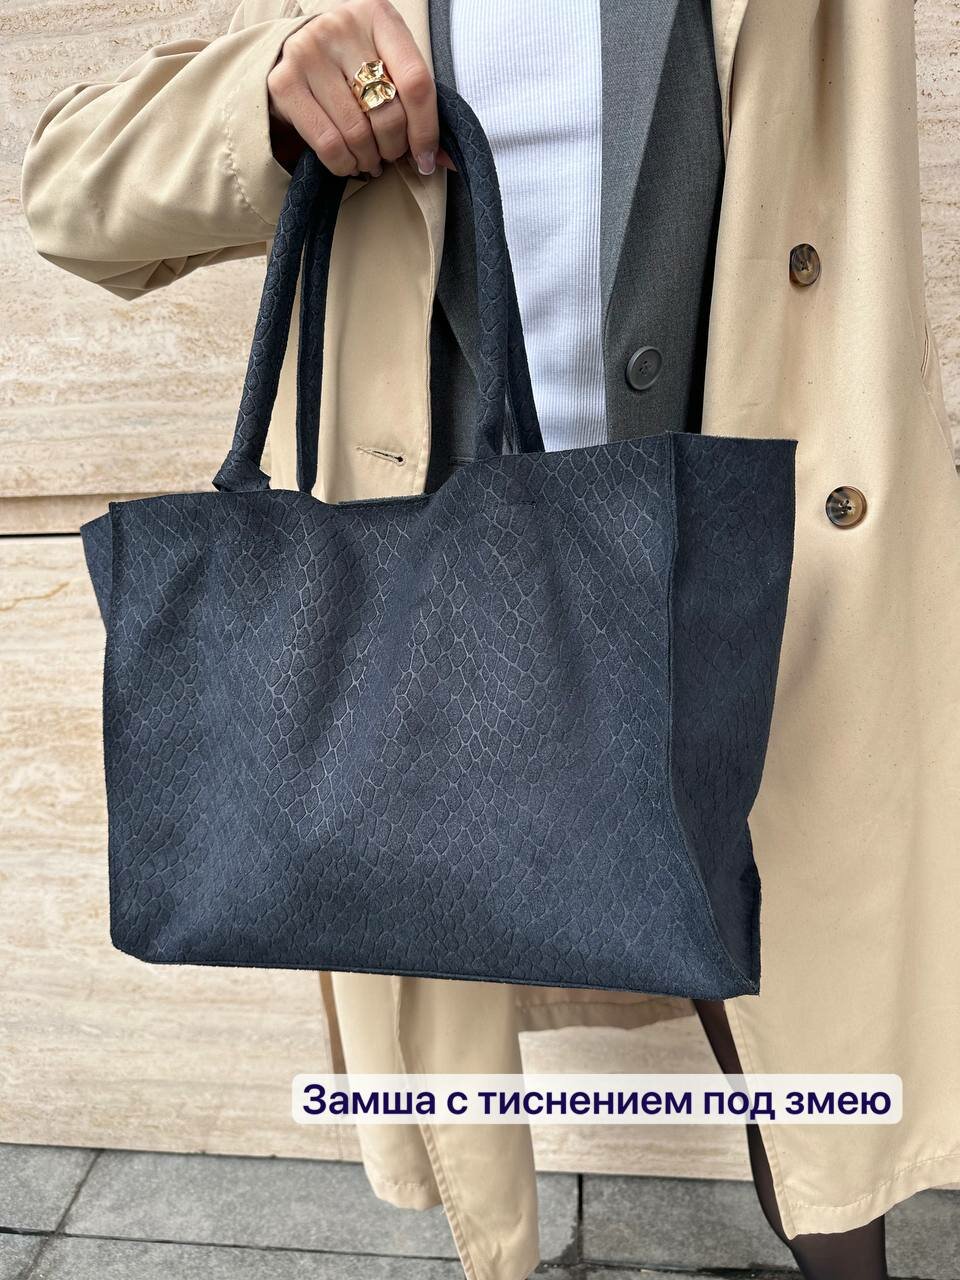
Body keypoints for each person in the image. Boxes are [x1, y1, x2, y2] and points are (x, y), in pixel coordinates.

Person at [20, 2, 960, 1279]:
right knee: (488, 937)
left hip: (752, 570)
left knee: (808, 1050)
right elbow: (66, 194)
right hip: (451, 616)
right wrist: (266, 99)